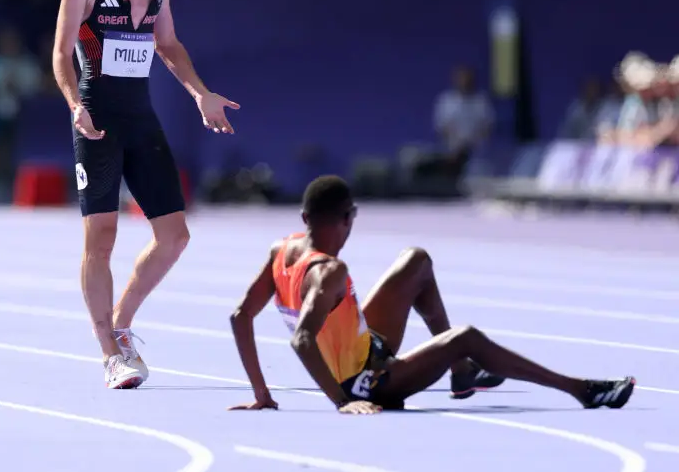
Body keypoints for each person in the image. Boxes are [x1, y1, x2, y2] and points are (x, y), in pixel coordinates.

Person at [228, 175, 637, 413]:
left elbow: (239, 316)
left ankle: (461, 373)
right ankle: (581, 390)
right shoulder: (330, 271)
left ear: (305, 218)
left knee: (416, 261)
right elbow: (302, 338)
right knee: (466, 336)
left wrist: (262, 396)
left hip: (365, 346)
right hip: (365, 382)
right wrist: (342, 401)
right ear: (348, 220)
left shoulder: (281, 251)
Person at [52, 0, 239, 389]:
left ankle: (122, 321)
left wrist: (200, 93)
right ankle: (109, 351)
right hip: (96, 118)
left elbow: (168, 43)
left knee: (175, 237)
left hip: (141, 116)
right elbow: (61, 52)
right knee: (102, 238)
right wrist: (75, 107)